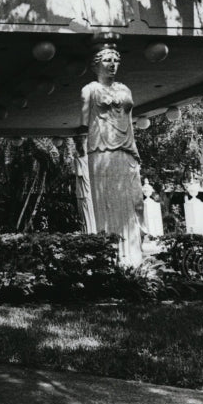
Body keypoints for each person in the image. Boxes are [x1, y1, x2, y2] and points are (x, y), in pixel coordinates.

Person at [79, 44, 144, 267]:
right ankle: (112, 257)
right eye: (107, 61)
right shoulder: (89, 89)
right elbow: (84, 123)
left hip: (124, 149)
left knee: (131, 200)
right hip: (100, 149)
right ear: (96, 65)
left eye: (115, 61)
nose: (112, 65)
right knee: (106, 202)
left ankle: (132, 258)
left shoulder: (125, 89)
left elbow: (130, 114)